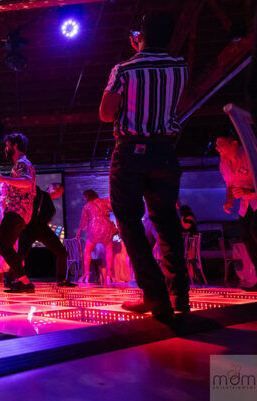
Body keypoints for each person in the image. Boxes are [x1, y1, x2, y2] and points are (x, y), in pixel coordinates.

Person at [100, 11, 190, 318]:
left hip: (130, 152)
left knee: (128, 220)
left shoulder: (124, 69)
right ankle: (179, 295)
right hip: (165, 151)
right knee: (167, 222)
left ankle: (154, 295)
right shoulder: (180, 67)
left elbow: (105, 112)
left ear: (141, 36)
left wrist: (137, 54)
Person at [0, 133, 37, 293]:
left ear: (15, 145)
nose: (5, 148)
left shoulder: (21, 163)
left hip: (17, 211)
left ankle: (25, 282)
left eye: (7, 145)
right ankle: (23, 281)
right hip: (19, 212)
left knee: (3, 246)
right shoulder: (22, 163)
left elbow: (27, 181)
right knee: (6, 246)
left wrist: (2, 178)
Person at [216, 133, 257, 291]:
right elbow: (230, 184)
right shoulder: (224, 162)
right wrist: (229, 200)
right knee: (247, 238)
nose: (217, 147)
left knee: (255, 233)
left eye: (221, 143)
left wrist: (250, 193)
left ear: (234, 143)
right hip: (246, 206)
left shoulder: (250, 154)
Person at [17, 183, 74, 287]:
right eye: (56, 189)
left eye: (60, 192)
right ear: (49, 187)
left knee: (62, 252)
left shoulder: (48, 200)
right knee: (21, 254)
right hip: (30, 227)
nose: (57, 192)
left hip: (41, 228)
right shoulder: (39, 193)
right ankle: (12, 279)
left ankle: (61, 280)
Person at [75, 190, 117, 284]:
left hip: (94, 227)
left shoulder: (87, 205)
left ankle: (86, 274)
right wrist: (110, 201)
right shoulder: (104, 201)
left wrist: (79, 231)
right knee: (109, 250)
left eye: (85, 197)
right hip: (106, 226)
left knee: (87, 251)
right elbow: (113, 209)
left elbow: (83, 220)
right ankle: (109, 275)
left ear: (87, 196)